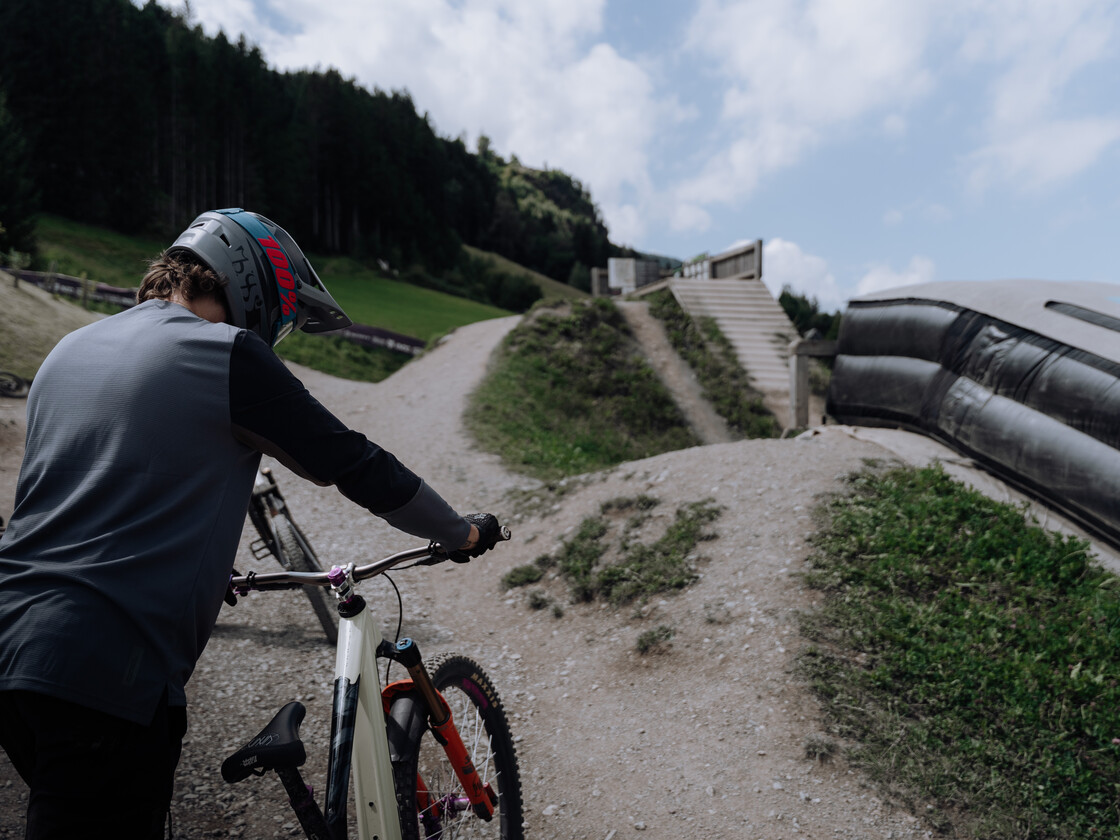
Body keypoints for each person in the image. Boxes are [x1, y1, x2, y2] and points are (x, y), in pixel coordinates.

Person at [0, 208, 502, 836]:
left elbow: (77, 498)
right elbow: (353, 461)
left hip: (13, 650)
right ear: (252, 285)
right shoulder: (225, 353)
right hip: (108, 670)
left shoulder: (68, 349)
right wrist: (461, 532)